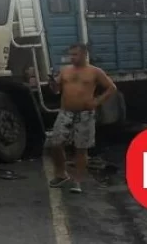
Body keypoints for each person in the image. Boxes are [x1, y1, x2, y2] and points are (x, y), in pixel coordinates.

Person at [47, 43, 117, 193]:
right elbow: (56, 90)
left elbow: (112, 88)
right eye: (70, 55)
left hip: (85, 114)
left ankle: (77, 181)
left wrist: (97, 101)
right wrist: (52, 83)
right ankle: (61, 174)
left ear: (84, 54)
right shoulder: (65, 71)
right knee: (55, 143)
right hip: (65, 112)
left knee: (81, 148)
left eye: (75, 55)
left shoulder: (95, 72)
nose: (72, 58)